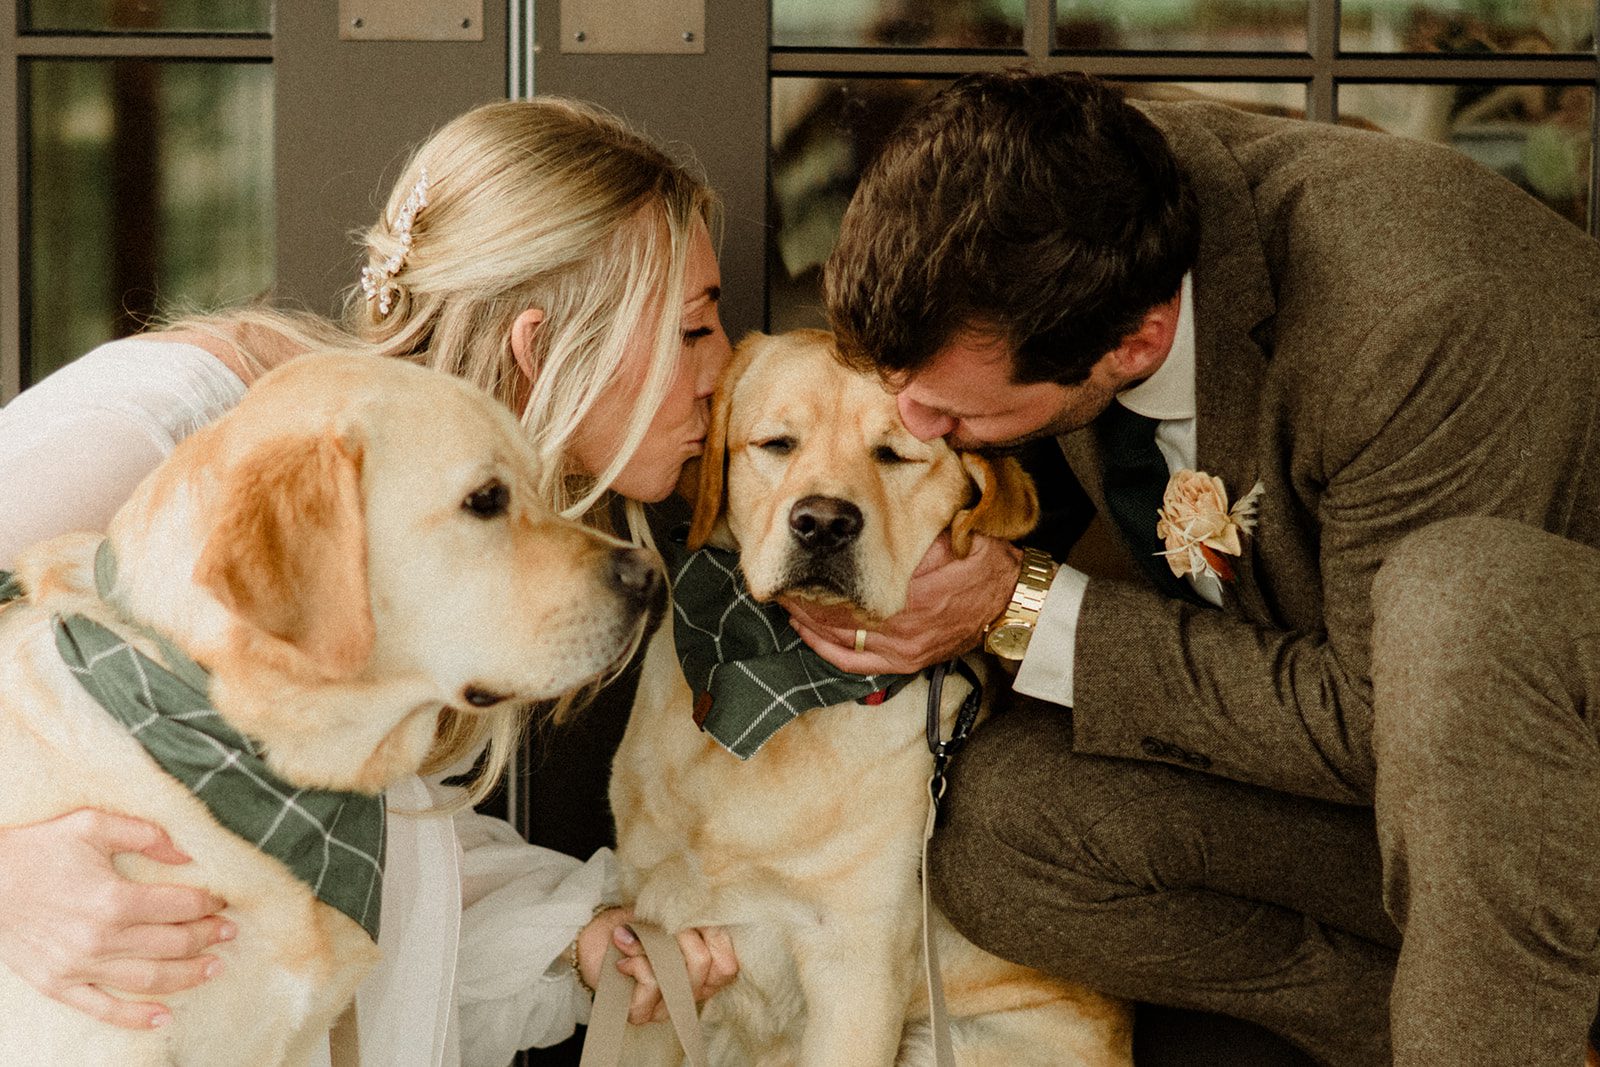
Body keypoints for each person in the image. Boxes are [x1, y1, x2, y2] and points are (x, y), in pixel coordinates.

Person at [793, 69, 1600, 1066]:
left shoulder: (1417, 314)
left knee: (1454, 602)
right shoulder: (1048, 223)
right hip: (1409, 825)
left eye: (954, 416)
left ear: (1136, 342)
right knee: (1007, 832)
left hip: (1541, 782)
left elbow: (1383, 718)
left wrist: (1017, 606)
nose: (915, 427)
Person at [0, 96, 738, 1066]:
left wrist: (573, 941)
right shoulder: (176, 431)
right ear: (538, 346)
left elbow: (352, 853)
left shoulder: (423, 530)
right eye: (692, 329)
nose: (722, 366)